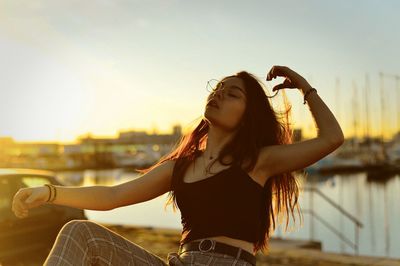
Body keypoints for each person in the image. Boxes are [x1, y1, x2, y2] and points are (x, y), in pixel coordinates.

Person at [11, 65, 344, 265]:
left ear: (248, 115)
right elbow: (112, 197)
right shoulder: (180, 168)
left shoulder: (257, 162)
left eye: (232, 94)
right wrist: (50, 192)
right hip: (181, 262)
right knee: (80, 233)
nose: (218, 94)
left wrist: (305, 87)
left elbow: (331, 138)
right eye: (217, 89)